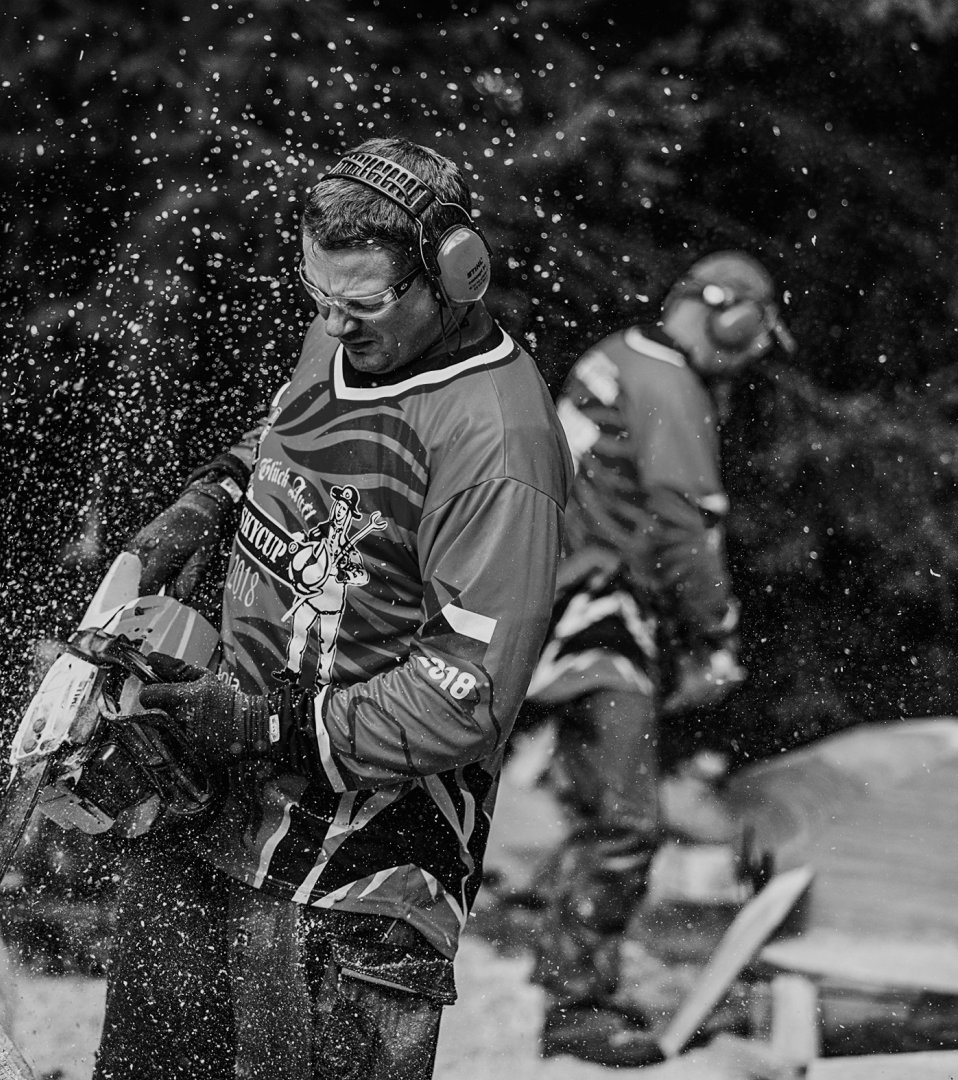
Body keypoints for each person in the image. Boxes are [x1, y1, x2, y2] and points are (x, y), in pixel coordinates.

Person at [95, 136, 571, 1079]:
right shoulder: (347, 332)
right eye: (317, 294)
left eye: (361, 302)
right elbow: (287, 432)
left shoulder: (498, 446)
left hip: (360, 874)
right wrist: (208, 500)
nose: (332, 322)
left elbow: (468, 694)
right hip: (214, 806)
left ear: (454, 276)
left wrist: (266, 721)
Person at [520, 250, 795, 1065]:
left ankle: (571, 978)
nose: (746, 359)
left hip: (552, 600)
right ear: (727, 315)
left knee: (595, 814)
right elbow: (685, 525)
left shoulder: (617, 355)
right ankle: (574, 1006)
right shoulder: (671, 386)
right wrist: (714, 639)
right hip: (598, 618)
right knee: (625, 823)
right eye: (749, 337)